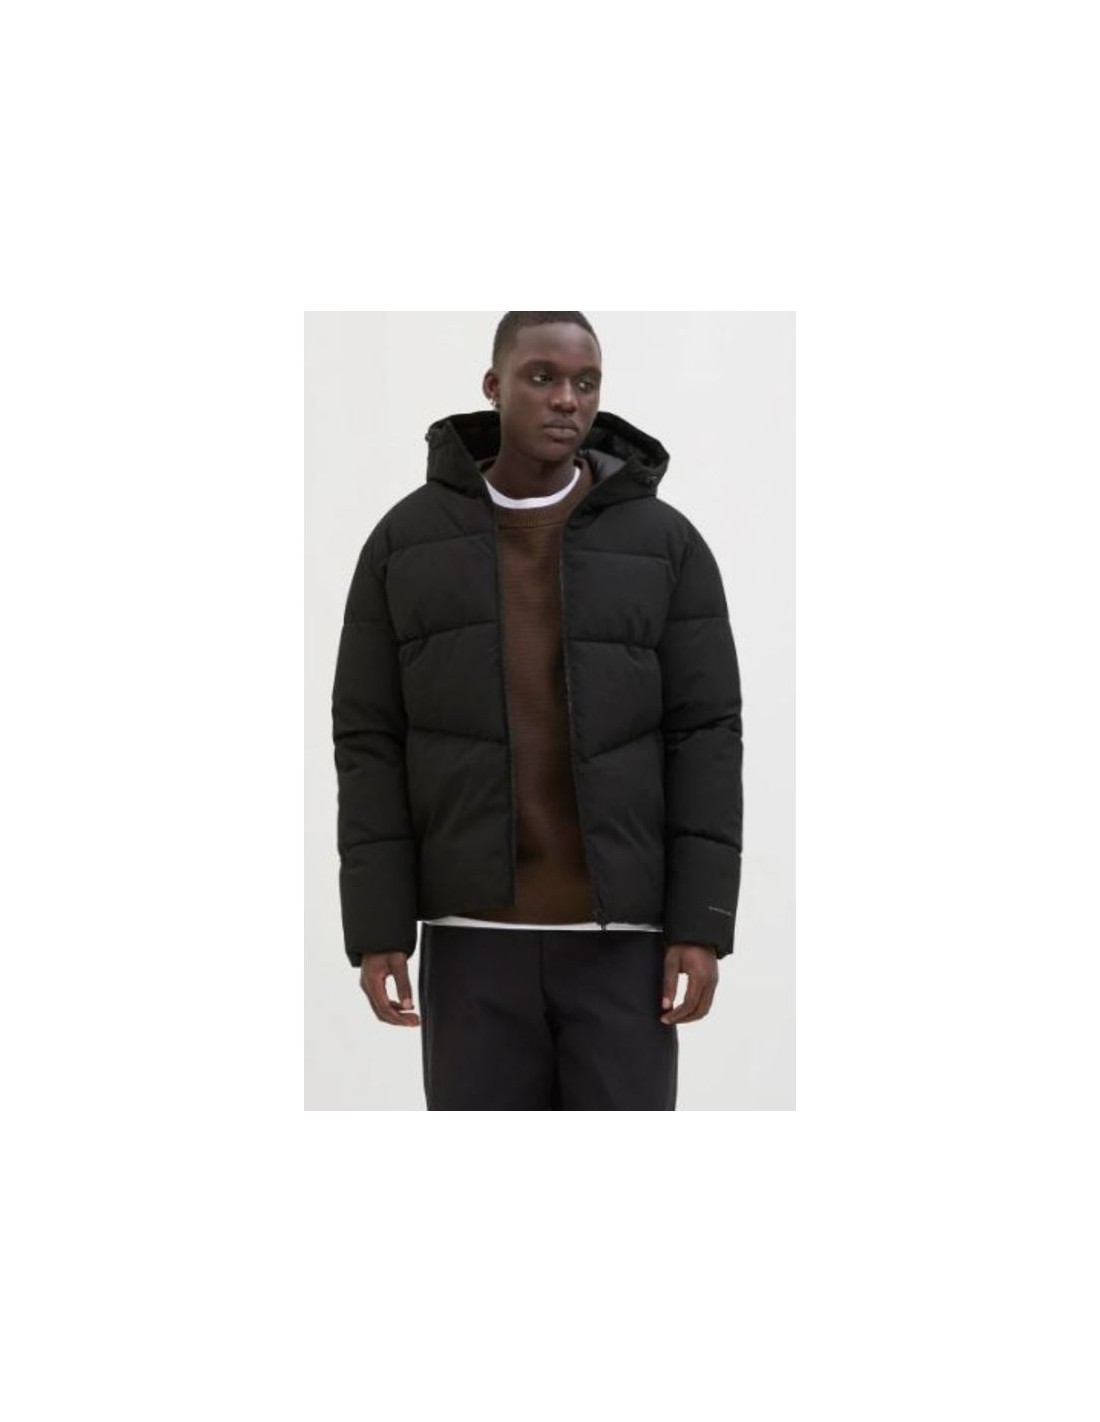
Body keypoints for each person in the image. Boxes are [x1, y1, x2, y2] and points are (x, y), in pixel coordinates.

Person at [331, 311, 743, 1110]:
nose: (566, 399)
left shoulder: (667, 545)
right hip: (470, 941)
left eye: (585, 382)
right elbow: (369, 738)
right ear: (494, 386)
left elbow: (706, 737)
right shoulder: (405, 542)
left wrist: (700, 924)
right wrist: (378, 928)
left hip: (622, 944)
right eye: (542, 377)